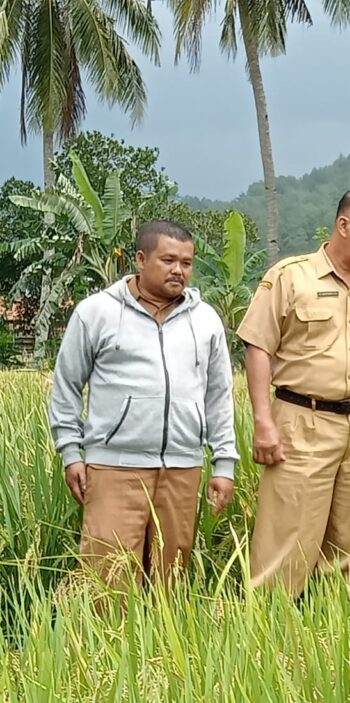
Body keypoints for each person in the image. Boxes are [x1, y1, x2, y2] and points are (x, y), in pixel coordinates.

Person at [237, 188, 350, 595]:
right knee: (287, 536)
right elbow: (258, 346)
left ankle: (342, 635)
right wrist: (263, 421)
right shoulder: (290, 276)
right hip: (304, 420)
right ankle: (270, 629)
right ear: (343, 225)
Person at [49, 220, 238, 588]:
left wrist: (224, 464)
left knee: (172, 579)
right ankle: (99, 647)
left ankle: (164, 648)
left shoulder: (206, 320)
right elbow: (66, 385)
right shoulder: (96, 313)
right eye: (168, 260)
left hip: (183, 468)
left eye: (186, 262)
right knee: (108, 577)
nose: (178, 270)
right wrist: (71, 452)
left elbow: (219, 396)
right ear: (140, 258)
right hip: (114, 468)